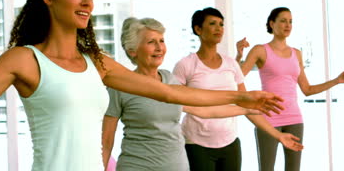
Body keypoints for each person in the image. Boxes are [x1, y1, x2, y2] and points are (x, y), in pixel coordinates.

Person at [0, 0, 286, 171]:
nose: (87, 2)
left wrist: (242, 99)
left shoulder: (97, 63)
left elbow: (167, 91)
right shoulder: (25, 59)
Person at [102, 17, 261, 171]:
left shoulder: (170, 79)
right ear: (132, 51)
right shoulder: (120, 86)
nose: (159, 47)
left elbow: (204, 111)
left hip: (177, 166)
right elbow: (106, 141)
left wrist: (249, 109)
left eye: (162, 41)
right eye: (151, 42)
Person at [173, 7, 304, 171]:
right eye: (212, 24)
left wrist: (277, 135)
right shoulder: (185, 65)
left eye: (221, 24)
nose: (219, 28)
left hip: (230, 144)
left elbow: (247, 106)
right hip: (196, 144)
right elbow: (173, 103)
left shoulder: (231, 64)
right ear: (198, 29)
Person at [236, 6, 344, 171]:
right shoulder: (260, 50)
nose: (288, 25)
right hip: (268, 118)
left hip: (294, 118)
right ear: (272, 23)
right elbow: (237, 77)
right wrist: (239, 56)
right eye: (283, 21)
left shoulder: (296, 53)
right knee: (266, 168)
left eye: (290, 21)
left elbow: (307, 89)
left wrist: (337, 80)